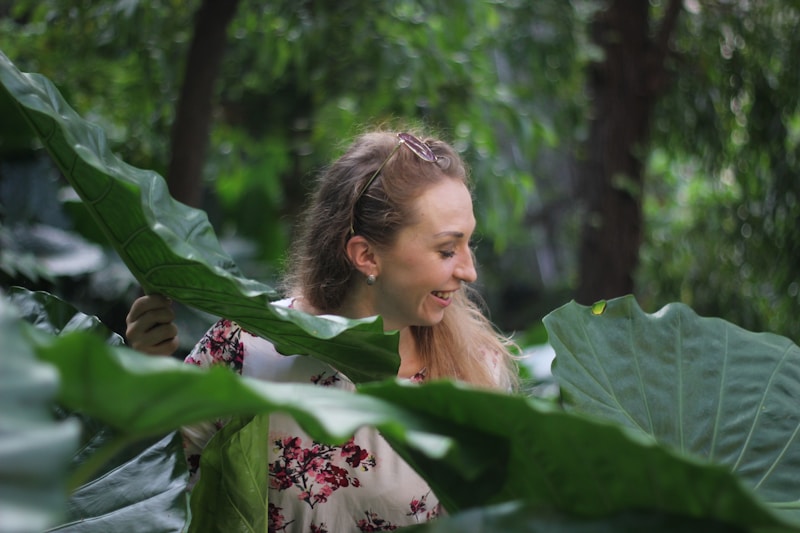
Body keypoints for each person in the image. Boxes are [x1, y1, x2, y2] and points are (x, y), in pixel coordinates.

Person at [125, 129, 519, 532]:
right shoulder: (247, 347)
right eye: (447, 250)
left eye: (470, 243)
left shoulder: (475, 373)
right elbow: (148, 490)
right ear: (366, 256)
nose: (469, 271)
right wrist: (144, 375)